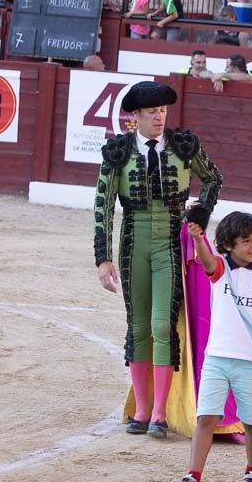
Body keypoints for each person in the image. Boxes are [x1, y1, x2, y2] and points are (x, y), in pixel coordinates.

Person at [94, 81, 223, 438]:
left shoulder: (183, 146)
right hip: (133, 240)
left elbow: (213, 179)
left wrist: (200, 213)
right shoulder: (117, 151)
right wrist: (103, 258)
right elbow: (103, 205)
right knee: (138, 326)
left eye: (163, 111)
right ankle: (142, 409)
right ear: (135, 116)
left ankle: (161, 414)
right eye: (152, 112)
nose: (159, 118)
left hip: (170, 240)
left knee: (162, 326)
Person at [167, 212, 252, 482]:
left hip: (251, 363)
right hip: (217, 359)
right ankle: (193, 477)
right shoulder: (220, 269)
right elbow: (206, 259)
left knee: (251, 421)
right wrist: (197, 236)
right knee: (205, 418)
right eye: (246, 240)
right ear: (228, 245)